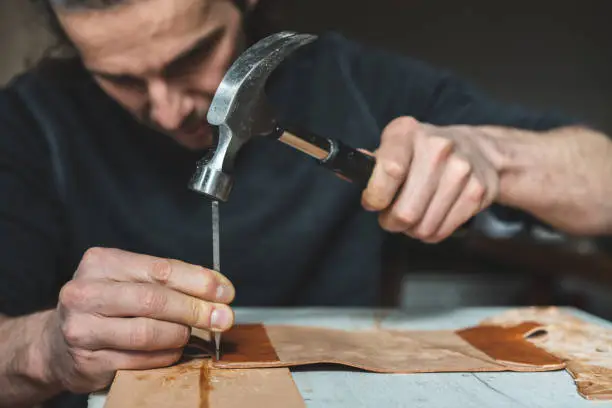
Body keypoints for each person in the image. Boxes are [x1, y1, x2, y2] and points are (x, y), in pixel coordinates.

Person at [1, 0, 612, 407]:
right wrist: (42, 350)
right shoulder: (28, 122)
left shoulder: (360, 83)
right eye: (121, 79)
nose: (169, 111)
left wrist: (493, 158)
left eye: (191, 57)